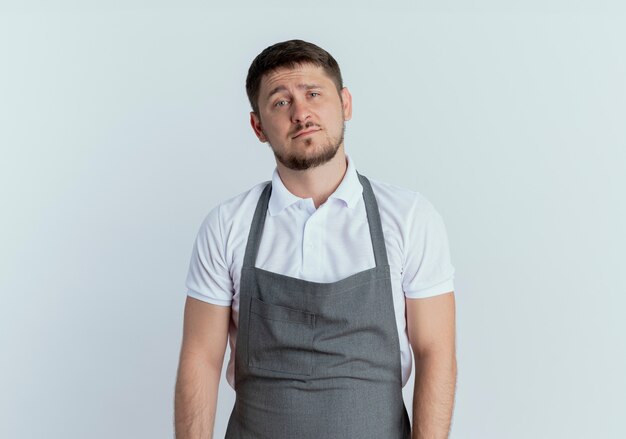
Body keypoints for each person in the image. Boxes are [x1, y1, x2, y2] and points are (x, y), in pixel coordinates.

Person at [174, 39, 457, 439]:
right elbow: (200, 357)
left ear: (345, 104)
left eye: (313, 94)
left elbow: (435, 353)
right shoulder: (227, 225)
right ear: (258, 127)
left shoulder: (409, 217)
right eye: (280, 102)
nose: (301, 113)